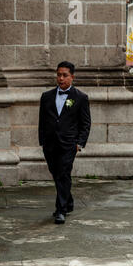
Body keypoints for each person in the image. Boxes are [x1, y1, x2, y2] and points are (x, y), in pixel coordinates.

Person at [38, 61, 91, 224]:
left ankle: (60, 210)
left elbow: (86, 123)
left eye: (65, 75)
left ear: (72, 77)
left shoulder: (80, 97)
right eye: (59, 75)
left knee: (62, 173)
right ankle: (68, 201)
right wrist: (42, 141)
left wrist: (79, 143)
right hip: (50, 144)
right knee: (58, 174)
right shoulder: (46, 96)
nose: (61, 78)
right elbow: (42, 120)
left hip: (69, 144)